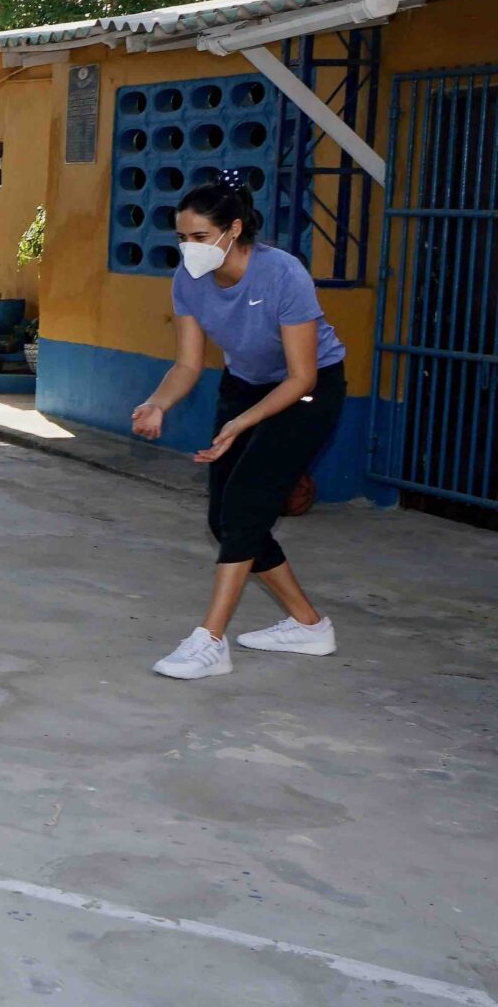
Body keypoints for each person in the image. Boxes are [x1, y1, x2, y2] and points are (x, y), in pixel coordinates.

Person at [131, 172, 347, 681]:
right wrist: (157, 403)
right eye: (182, 238)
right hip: (244, 384)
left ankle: (210, 641)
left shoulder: (282, 274)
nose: (189, 248)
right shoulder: (188, 279)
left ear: (233, 229)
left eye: (200, 238)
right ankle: (309, 625)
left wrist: (238, 426)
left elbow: (301, 376)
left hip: (307, 390)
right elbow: (187, 365)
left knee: (248, 505)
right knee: (225, 523)